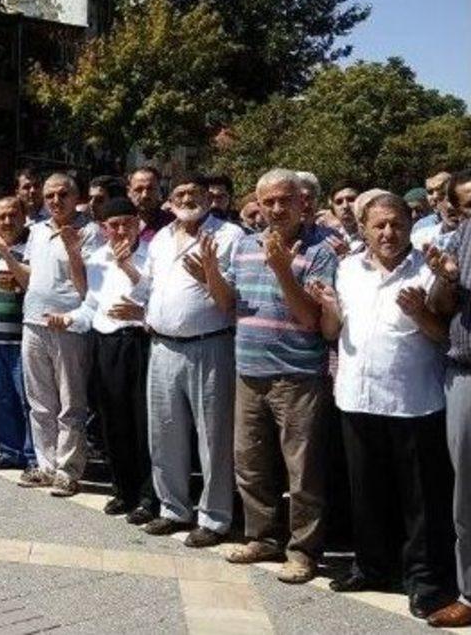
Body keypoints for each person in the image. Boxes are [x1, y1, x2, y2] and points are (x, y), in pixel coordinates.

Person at [310, 192, 458, 620]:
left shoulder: (428, 268)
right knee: (367, 491)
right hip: (357, 398)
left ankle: (424, 580)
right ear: (364, 229)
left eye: (396, 224)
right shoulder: (347, 268)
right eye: (379, 225)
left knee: (420, 500)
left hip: (414, 401)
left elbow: (443, 335)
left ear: (410, 225)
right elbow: (331, 332)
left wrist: (421, 312)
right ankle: (372, 566)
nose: (388, 233)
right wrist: (329, 309)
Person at [225, 169, 338, 584]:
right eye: (268, 201)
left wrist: (283, 271)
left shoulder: (321, 251)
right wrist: (209, 277)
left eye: (284, 200)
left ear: (301, 202)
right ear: (258, 203)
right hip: (249, 371)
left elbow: (311, 320)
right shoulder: (243, 246)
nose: (276, 209)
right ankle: (262, 537)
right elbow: (230, 303)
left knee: (303, 471)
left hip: (298, 375)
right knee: (250, 463)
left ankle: (304, 552)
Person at [143, 175, 244, 548]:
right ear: (169, 201)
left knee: (213, 437)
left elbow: (229, 301)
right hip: (162, 347)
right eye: (180, 194)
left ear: (208, 198)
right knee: (164, 432)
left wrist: (208, 275)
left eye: (194, 193)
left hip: (209, 345)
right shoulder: (160, 238)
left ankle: (215, 518)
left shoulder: (229, 235)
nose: (187, 199)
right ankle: (173, 508)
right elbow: (150, 285)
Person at [6, 173, 94, 497]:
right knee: (40, 402)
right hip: (33, 322)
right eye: (50, 196)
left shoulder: (89, 231)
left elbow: (88, 288)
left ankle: (68, 470)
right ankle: (46, 465)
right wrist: (5, 254)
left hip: (68, 325)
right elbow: (30, 277)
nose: (56, 201)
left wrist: (73, 250)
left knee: (70, 404)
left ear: (76, 196)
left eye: (63, 194)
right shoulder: (38, 230)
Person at [79, 197, 157, 524]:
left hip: (139, 341)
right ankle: (123, 489)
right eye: (114, 225)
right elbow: (92, 304)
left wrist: (128, 268)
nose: (122, 230)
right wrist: (66, 319)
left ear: (138, 223)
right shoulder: (97, 258)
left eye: (128, 223)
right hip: (105, 342)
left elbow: (157, 297)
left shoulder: (152, 254)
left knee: (143, 422)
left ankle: (148, 497)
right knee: (112, 420)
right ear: (104, 228)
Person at [426, 170, 471, 628]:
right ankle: (469, 593)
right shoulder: (457, 241)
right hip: (465, 377)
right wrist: (447, 279)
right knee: (467, 493)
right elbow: (439, 307)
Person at [0, 197, 34, 470]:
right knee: (1, 398)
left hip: (23, 338)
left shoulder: (32, 247)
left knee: (28, 400)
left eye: (13, 215)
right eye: (1, 216)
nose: (7, 221)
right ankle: (10, 452)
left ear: (24, 217)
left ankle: (33, 456)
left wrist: (7, 256)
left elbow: (33, 284)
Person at [128, 166, 173, 243]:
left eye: (150, 189)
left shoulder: (172, 224)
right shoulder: (118, 224)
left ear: (159, 191)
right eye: (139, 189)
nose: (145, 195)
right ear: (129, 192)